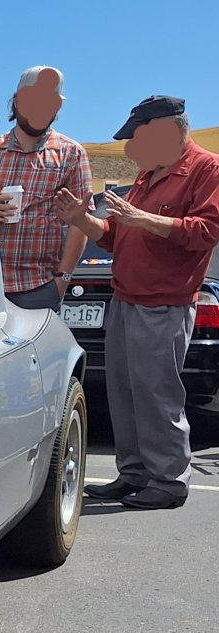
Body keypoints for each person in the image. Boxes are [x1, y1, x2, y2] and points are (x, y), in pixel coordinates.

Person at [56, 95, 219, 510]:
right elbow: (115, 235)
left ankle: (168, 481)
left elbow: (205, 231)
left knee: (156, 393)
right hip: (126, 299)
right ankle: (133, 473)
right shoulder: (149, 175)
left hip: (164, 303)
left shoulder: (207, 168)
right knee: (124, 391)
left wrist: (142, 219)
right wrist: (81, 220)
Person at [0, 65, 92, 312]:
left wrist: (62, 281)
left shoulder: (71, 154)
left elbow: (81, 223)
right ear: (16, 102)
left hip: (39, 288)